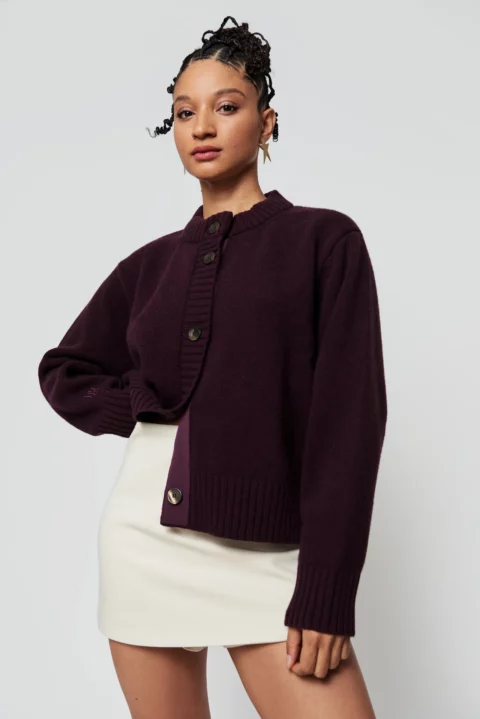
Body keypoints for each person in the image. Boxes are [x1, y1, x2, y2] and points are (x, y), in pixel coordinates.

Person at [37, 15, 387, 719]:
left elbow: (349, 426)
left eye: (226, 106)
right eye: (183, 112)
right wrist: (142, 404)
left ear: (266, 123)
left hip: (269, 555)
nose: (202, 126)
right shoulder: (150, 266)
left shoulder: (324, 242)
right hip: (145, 545)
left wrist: (326, 591)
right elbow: (64, 369)